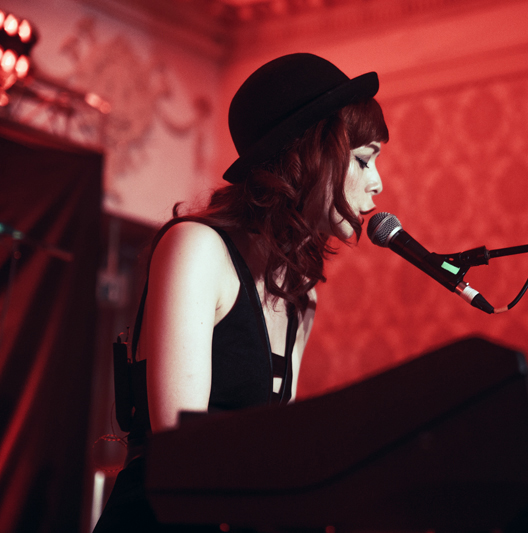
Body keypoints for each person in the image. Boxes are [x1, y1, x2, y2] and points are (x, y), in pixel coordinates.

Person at [93, 53, 389, 532]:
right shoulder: (197, 248)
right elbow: (182, 450)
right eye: (362, 159)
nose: (377, 183)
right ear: (308, 156)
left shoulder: (301, 297)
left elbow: (271, 450)